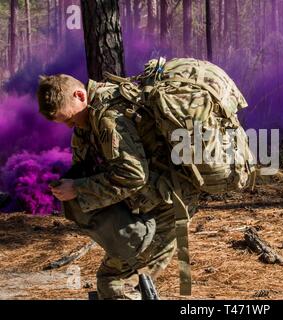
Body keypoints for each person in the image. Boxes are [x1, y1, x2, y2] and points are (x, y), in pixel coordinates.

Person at [36, 74, 199, 300]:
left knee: (114, 282)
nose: (70, 126)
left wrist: (79, 189)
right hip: (150, 203)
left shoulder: (108, 117)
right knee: (118, 278)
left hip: (168, 205)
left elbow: (132, 176)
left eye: (70, 120)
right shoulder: (88, 119)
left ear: (80, 95)